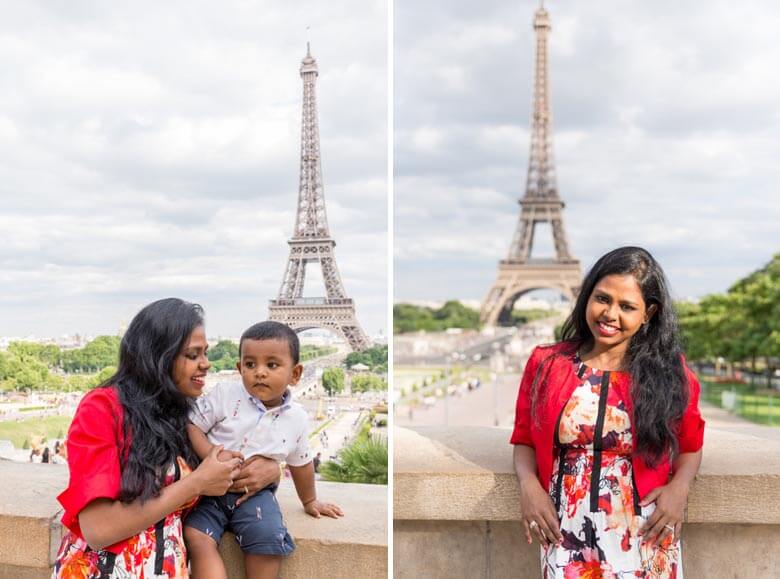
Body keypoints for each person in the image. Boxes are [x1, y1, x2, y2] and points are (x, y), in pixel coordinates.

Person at [511, 247, 705, 578]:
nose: (610, 314)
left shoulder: (672, 374)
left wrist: (679, 490)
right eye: (602, 299)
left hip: (645, 529)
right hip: (566, 529)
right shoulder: (545, 363)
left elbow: (690, 445)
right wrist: (529, 487)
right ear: (587, 296)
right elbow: (525, 438)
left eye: (627, 306)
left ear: (649, 313)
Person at [52, 298, 280, 577]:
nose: (206, 364)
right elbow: (98, 529)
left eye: (205, 353)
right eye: (193, 355)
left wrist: (272, 470)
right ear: (159, 356)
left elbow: (230, 462)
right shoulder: (101, 409)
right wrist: (195, 484)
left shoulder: (185, 415)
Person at [185, 321, 343, 579]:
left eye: (272, 365)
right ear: (239, 369)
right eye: (250, 364)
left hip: (254, 495)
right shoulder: (225, 394)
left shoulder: (298, 418)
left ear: (296, 374)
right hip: (209, 490)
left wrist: (310, 501)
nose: (259, 372)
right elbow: (193, 425)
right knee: (196, 535)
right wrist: (211, 454)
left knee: (268, 540)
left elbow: (301, 463)